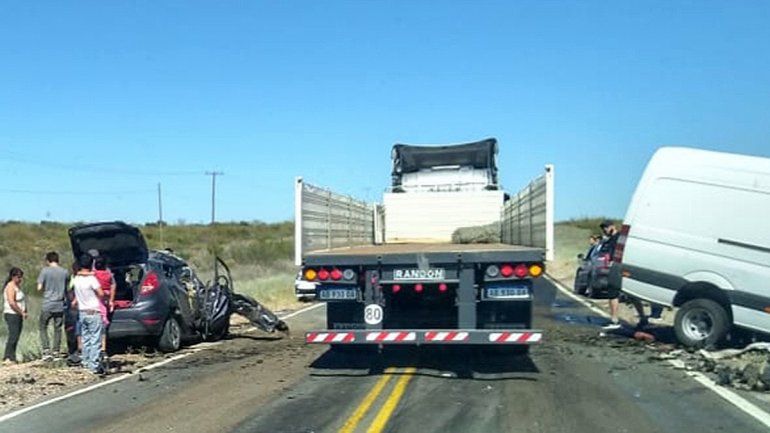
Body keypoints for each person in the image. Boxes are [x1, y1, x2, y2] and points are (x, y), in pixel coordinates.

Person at [71, 256, 104, 374]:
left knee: (86, 339)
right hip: (93, 311)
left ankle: (85, 362)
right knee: (95, 339)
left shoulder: (76, 279)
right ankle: (94, 365)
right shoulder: (92, 279)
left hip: (82, 311)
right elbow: (100, 293)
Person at [37, 251, 69, 361]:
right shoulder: (64, 272)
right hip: (60, 304)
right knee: (58, 328)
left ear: (48, 260)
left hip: (48, 303)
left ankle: (46, 350)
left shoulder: (45, 271)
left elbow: (39, 287)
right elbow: (67, 288)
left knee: (42, 326)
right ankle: (56, 351)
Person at [92, 256, 115, 358]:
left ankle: (94, 348)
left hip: (94, 301)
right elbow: (113, 286)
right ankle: (103, 349)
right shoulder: (108, 275)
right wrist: (111, 300)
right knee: (103, 326)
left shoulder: (93, 275)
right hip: (105, 300)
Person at [3, 268, 27, 364]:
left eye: (21, 277)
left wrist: (24, 310)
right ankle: (7, 356)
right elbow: (12, 302)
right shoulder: (10, 287)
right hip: (12, 314)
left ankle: (12, 356)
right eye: (18, 277)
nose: (20, 279)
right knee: (13, 335)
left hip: (18, 314)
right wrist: (21, 312)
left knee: (16, 335)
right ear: (13, 277)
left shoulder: (17, 286)